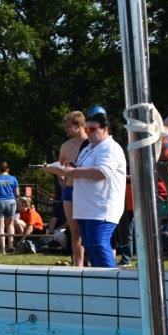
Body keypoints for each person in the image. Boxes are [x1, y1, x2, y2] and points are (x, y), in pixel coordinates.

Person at [45, 109, 127, 268]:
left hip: (101, 208)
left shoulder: (110, 148)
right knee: (90, 245)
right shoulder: (89, 148)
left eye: (93, 129)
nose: (88, 132)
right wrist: (62, 171)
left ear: (105, 129)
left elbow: (103, 172)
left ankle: (111, 283)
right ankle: (98, 284)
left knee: (98, 244)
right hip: (86, 208)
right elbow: (80, 169)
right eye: (87, 129)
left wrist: (72, 171)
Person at [58, 112, 88, 265]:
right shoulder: (66, 145)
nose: (66, 130)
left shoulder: (92, 143)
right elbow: (60, 166)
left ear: (79, 125)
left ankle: (95, 264)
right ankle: (78, 266)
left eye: (69, 126)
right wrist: (60, 177)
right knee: (75, 231)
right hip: (70, 191)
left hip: (88, 193)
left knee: (89, 230)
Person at [0, 162, 19, 253]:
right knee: (10, 225)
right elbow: (17, 193)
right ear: (7, 169)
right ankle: (11, 245)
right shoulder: (13, 179)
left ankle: (3, 250)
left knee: (0, 227)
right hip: (10, 202)